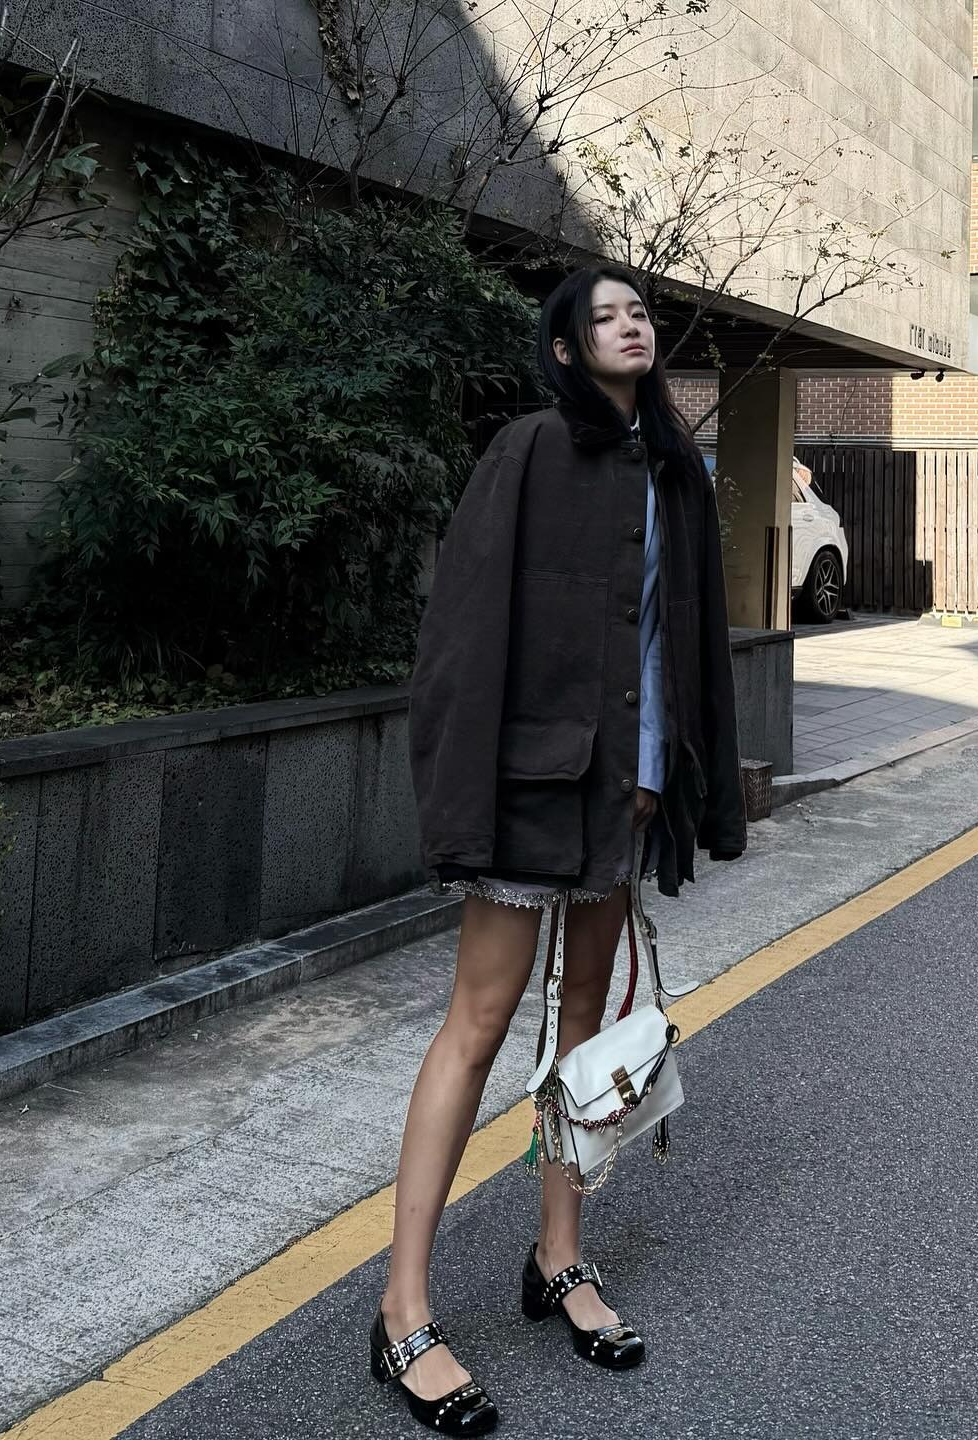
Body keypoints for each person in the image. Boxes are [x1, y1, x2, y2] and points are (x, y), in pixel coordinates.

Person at [370, 265, 747, 1435]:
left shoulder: (676, 469)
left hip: (624, 793)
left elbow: (681, 645)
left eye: (641, 311)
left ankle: (558, 1256)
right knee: (480, 1022)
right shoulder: (531, 448)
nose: (630, 324)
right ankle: (402, 1310)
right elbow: (463, 628)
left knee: (584, 1024)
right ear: (569, 349)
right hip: (532, 787)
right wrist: (461, 792)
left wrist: (677, 779)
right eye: (604, 316)